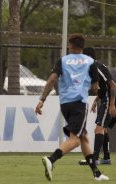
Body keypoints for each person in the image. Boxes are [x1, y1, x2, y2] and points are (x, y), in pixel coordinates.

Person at [35, 33, 110, 181]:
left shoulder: (62, 61)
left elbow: (51, 80)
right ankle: (51, 159)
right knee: (75, 140)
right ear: (83, 46)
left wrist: (42, 100)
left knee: (83, 138)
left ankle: (97, 173)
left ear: (70, 45)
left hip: (65, 104)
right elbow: (95, 88)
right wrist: (87, 85)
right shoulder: (90, 62)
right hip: (79, 104)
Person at [78, 47, 116, 165]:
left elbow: (113, 85)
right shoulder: (93, 68)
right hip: (105, 99)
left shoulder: (97, 67)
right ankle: (106, 157)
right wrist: (96, 100)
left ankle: (94, 159)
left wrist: (112, 104)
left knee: (98, 129)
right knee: (102, 129)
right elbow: (104, 87)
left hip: (109, 100)